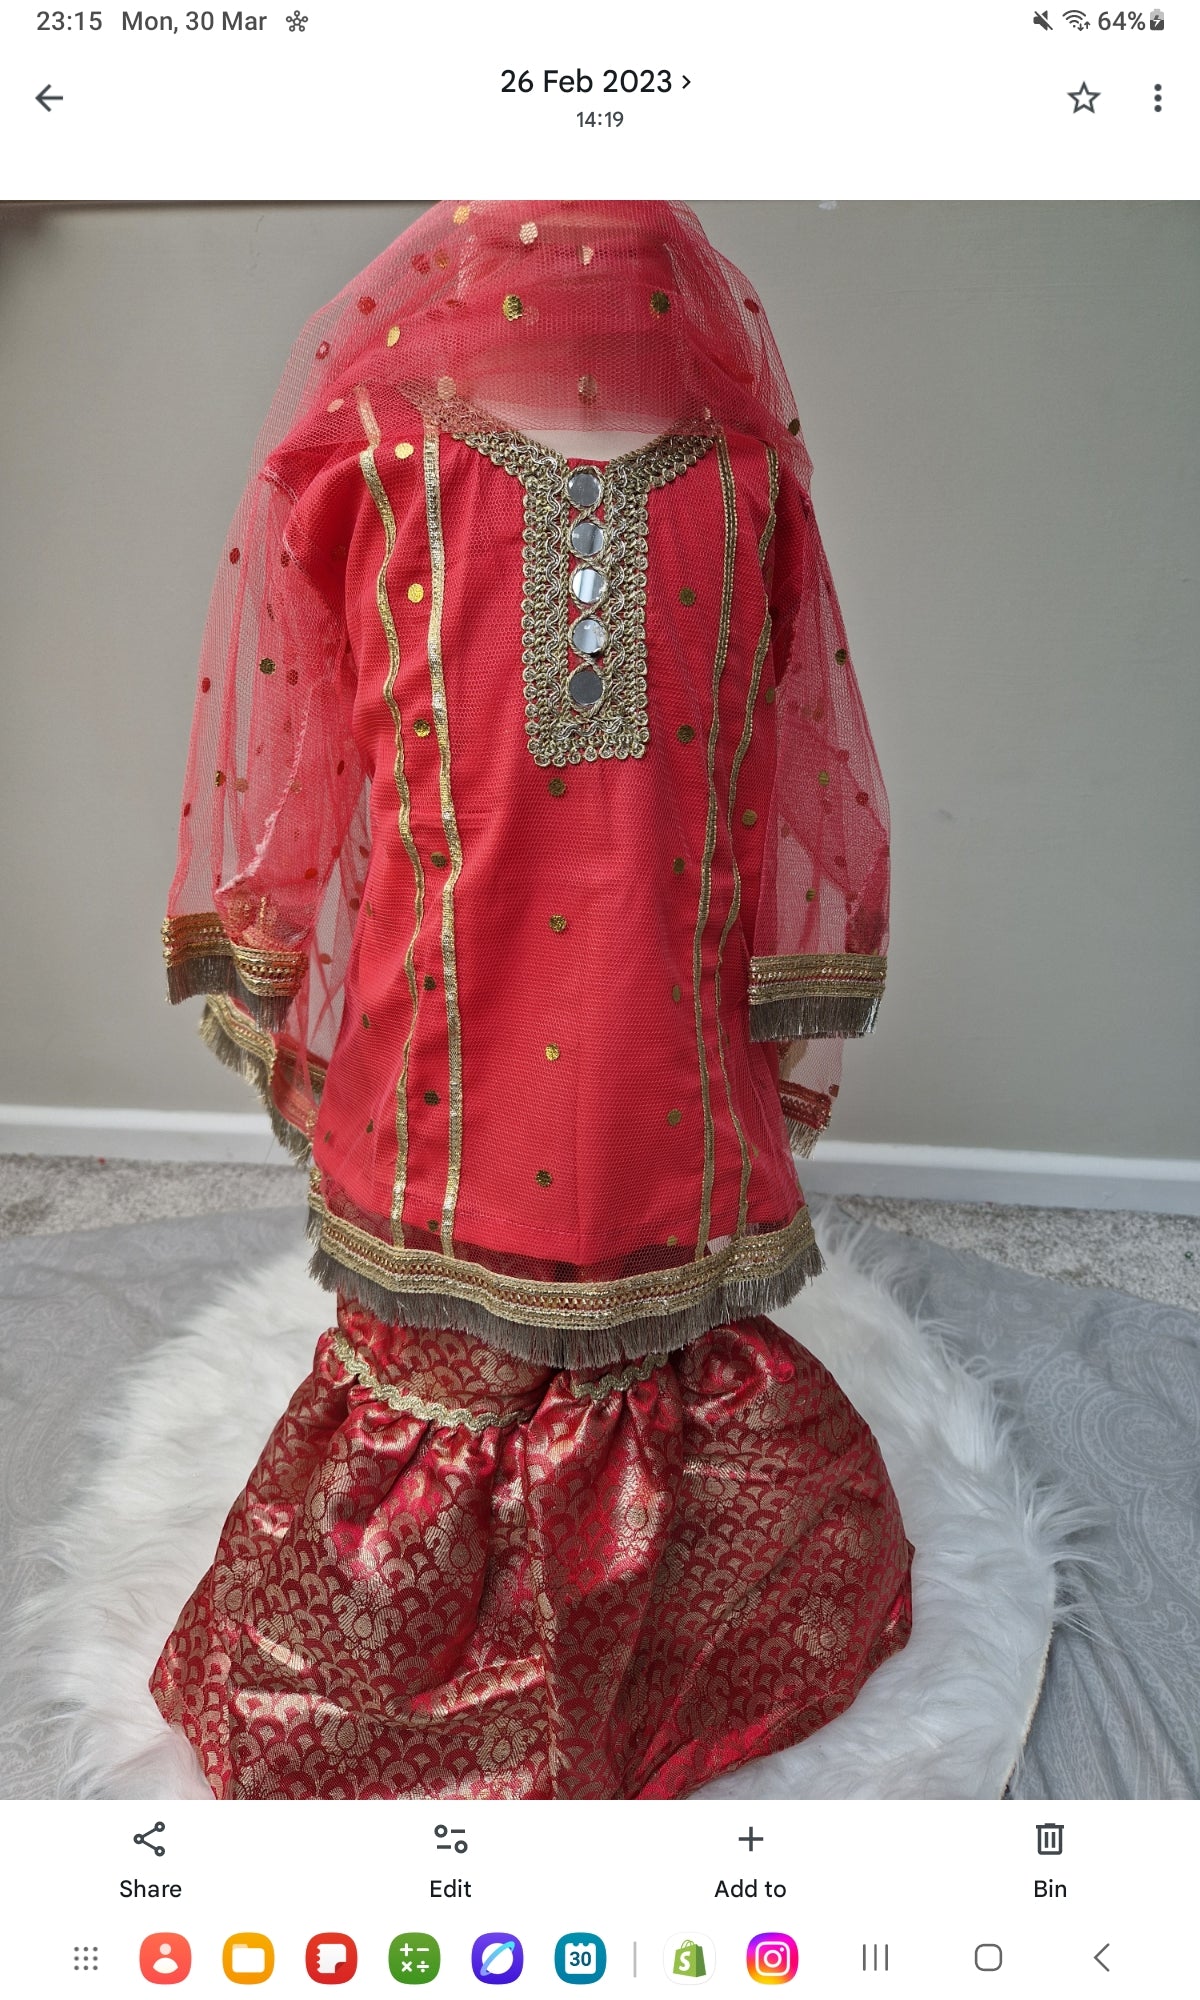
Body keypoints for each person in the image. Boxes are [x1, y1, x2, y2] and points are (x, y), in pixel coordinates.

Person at [152, 199, 913, 1798]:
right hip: (451, 1019)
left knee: (671, 1307)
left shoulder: (747, 483)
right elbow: (296, 744)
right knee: (442, 1313)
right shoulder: (358, 467)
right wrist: (272, 934)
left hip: (656, 1022)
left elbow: (793, 753)